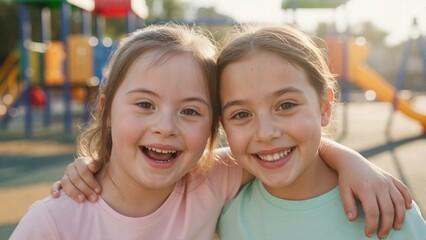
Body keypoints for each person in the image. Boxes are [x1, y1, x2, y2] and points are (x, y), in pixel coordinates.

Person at [39, 24, 410, 239]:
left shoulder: (213, 181)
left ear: (211, 126)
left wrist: (355, 163)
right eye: (145, 104)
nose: (166, 126)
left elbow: (292, 146)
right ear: (105, 111)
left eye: (189, 111)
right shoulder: (55, 220)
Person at [216, 24, 426, 239]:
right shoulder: (219, 213)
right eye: (241, 114)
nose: (265, 133)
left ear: (324, 108)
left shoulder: (388, 210)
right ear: (223, 124)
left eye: (286, 105)